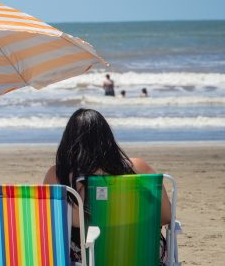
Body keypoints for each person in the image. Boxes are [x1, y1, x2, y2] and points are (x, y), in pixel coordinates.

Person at [43, 108, 172, 261]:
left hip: (90, 257)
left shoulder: (58, 175)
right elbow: (165, 217)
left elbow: (55, 225)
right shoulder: (139, 168)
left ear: (69, 140)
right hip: (142, 252)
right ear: (107, 137)